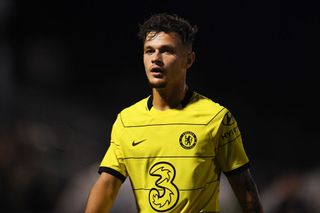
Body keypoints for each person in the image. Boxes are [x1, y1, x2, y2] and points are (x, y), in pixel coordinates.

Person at [85, 12, 264, 213]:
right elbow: (107, 185)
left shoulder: (216, 118)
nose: (156, 59)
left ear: (188, 60)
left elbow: (244, 186)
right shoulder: (127, 121)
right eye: (149, 51)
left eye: (166, 51)